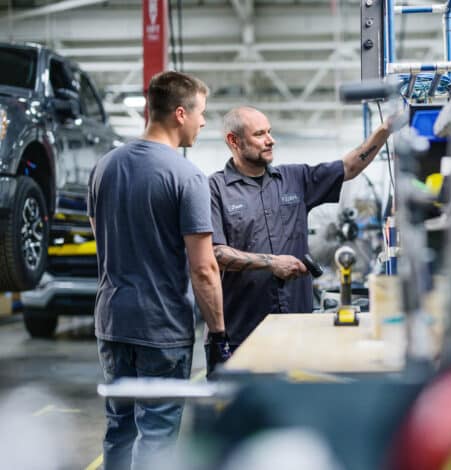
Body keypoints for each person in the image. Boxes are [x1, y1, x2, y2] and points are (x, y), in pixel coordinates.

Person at [87, 71, 230, 470]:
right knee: (158, 435)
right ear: (180, 113)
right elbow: (204, 269)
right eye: (201, 113)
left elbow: (103, 242)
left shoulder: (103, 168)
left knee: (119, 429)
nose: (204, 122)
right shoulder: (187, 177)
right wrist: (217, 335)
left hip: (112, 322)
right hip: (161, 329)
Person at [209, 106, 392, 350]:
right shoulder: (215, 188)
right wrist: (271, 263)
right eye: (260, 134)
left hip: (298, 325)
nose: (270, 140)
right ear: (234, 141)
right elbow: (214, 254)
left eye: (270, 132)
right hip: (243, 331)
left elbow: (349, 167)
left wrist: (384, 130)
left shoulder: (295, 179)